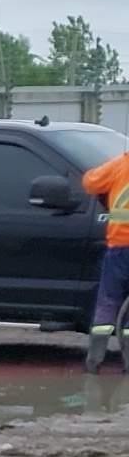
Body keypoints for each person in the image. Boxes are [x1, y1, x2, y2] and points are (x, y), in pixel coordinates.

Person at [80, 146, 129, 372]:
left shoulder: (120, 164)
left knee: (108, 304)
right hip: (119, 248)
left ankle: (94, 362)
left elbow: (90, 183)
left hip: (119, 247)